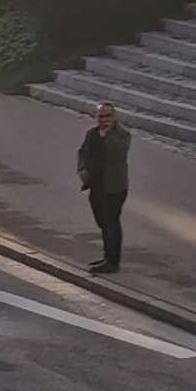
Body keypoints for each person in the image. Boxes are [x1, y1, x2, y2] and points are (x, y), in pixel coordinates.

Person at [77, 101, 133, 273]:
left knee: (111, 222)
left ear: (114, 117)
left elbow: (118, 152)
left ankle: (112, 261)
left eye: (108, 116)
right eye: (101, 116)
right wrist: (82, 169)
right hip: (96, 185)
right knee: (102, 222)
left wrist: (107, 134)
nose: (104, 119)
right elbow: (83, 153)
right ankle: (106, 256)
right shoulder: (92, 133)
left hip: (114, 187)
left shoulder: (122, 135)